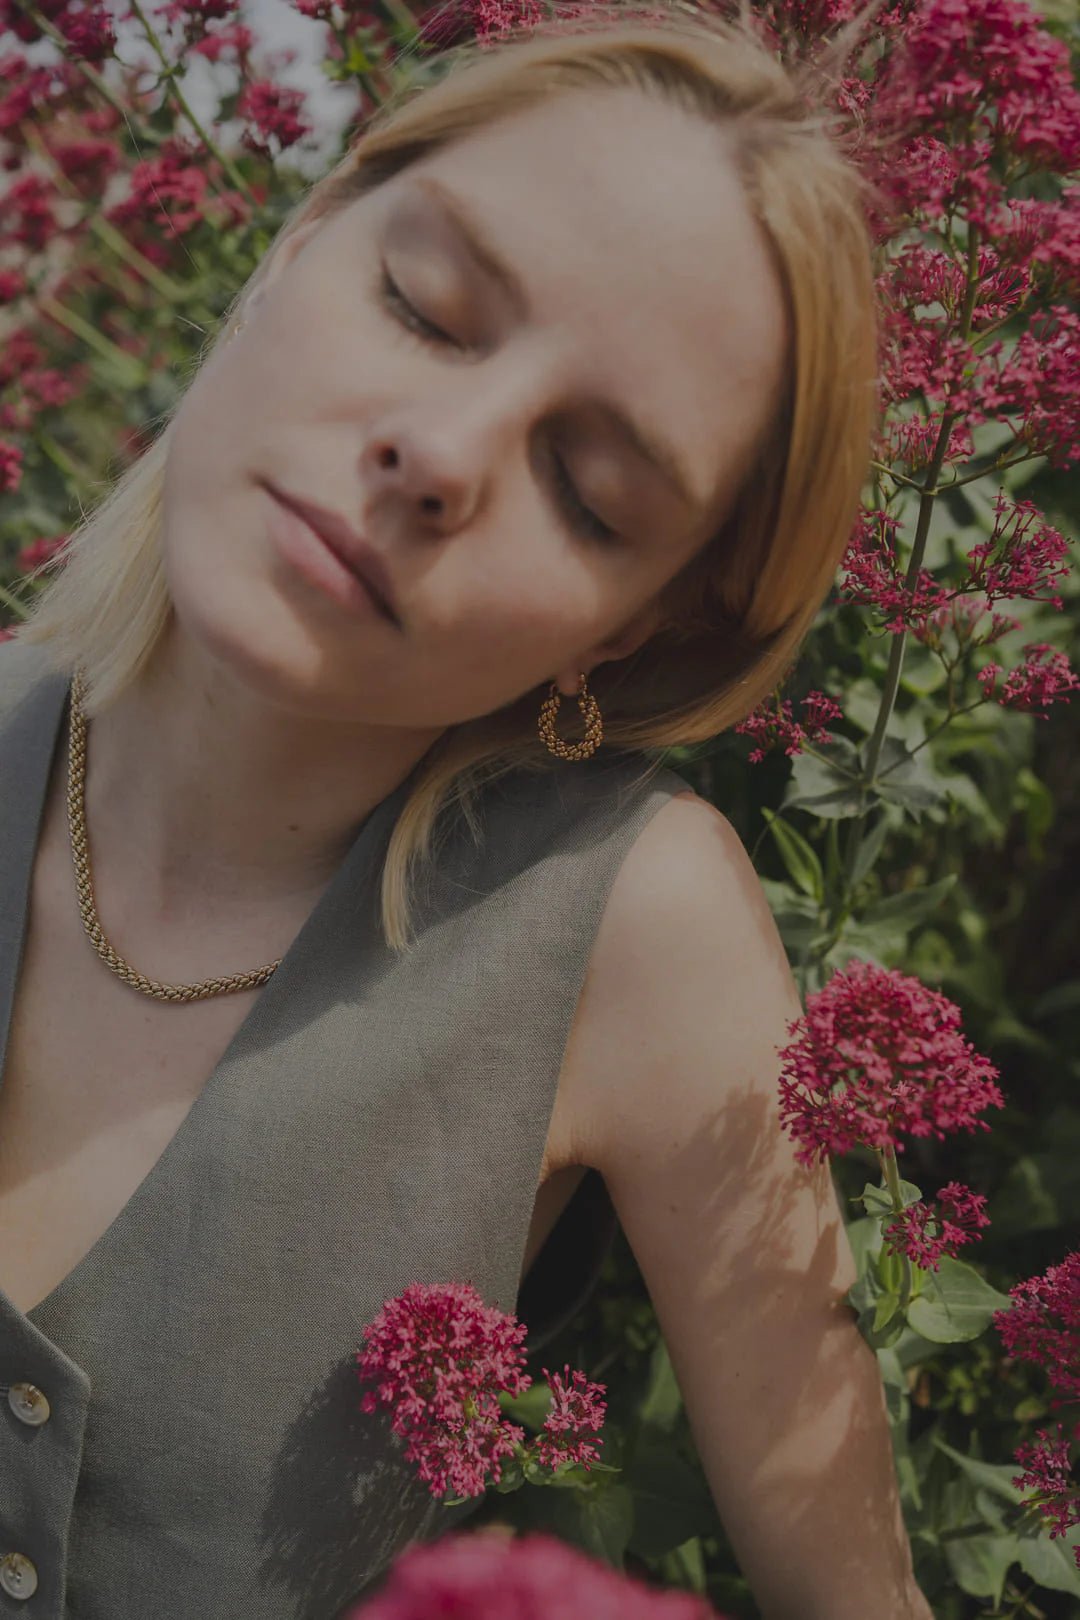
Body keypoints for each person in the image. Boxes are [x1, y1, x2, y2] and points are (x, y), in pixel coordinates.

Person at [0, 2, 933, 1617]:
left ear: (629, 631)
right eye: (424, 307)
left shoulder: (633, 935)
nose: (437, 453)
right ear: (304, 239)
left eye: (590, 494)